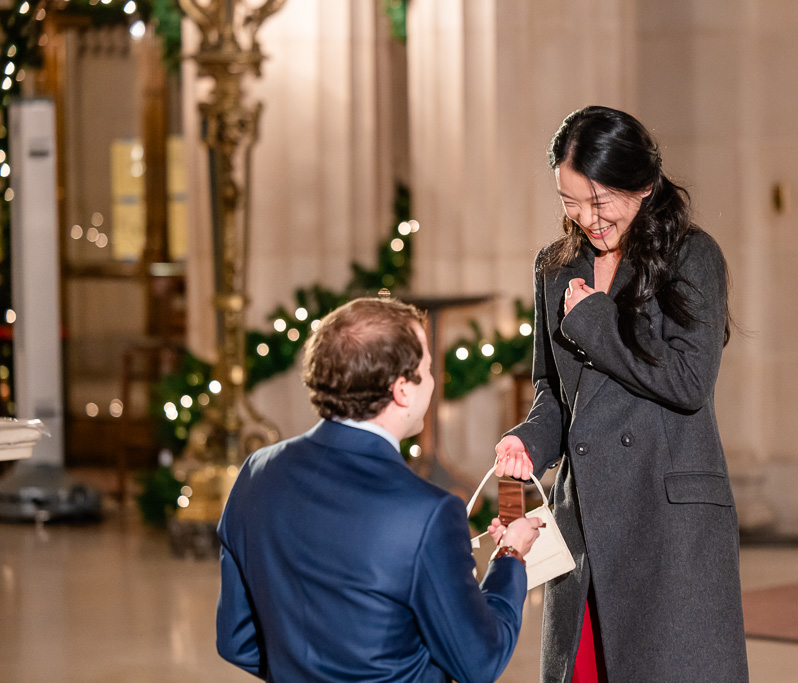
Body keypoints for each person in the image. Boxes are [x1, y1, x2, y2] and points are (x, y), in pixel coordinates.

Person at [494, 106, 749, 682]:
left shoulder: (692, 256)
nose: (587, 218)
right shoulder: (554, 267)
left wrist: (594, 321)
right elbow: (553, 394)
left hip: (668, 522)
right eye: (569, 201)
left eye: (600, 200)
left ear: (645, 184)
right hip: (583, 519)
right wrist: (526, 440)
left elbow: (688, 383)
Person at [217, 297, 543, 683]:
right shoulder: (427, 512)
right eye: (427, 368)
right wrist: (509, 555)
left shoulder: (257, 472)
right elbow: (479, 660)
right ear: (403, 390)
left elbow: (237, 641)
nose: (434, 379)